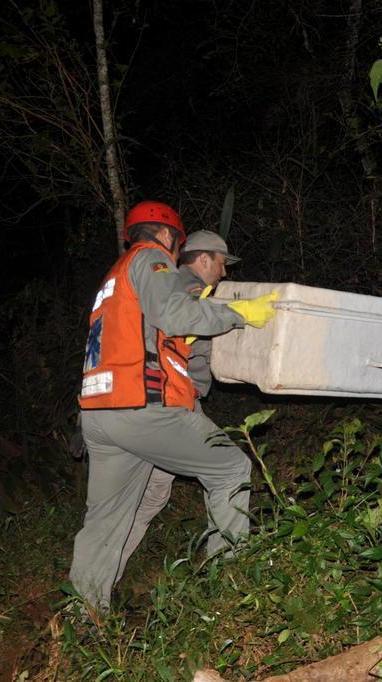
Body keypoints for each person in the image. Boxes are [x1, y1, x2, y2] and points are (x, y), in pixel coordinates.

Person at [71, 202, 276, 612]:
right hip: (141, 408)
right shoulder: (150, 260)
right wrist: (239, 313)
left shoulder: (113, 277)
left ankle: (84, 616)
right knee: (232, 468)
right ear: (169, 237)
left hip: (99, 413)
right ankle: (228, 589)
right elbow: (174, 313)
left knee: (108, 518)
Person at [114, 229, 240, 585]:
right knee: (229, 472)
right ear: (203, 259)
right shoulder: (186, 285)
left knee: (149, 497)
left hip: (152, 402)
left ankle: (96, 590)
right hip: (172, 403)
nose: (224, 272)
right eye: (221, 263)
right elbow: (181, 322)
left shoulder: (175, 284)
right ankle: (230, 577)